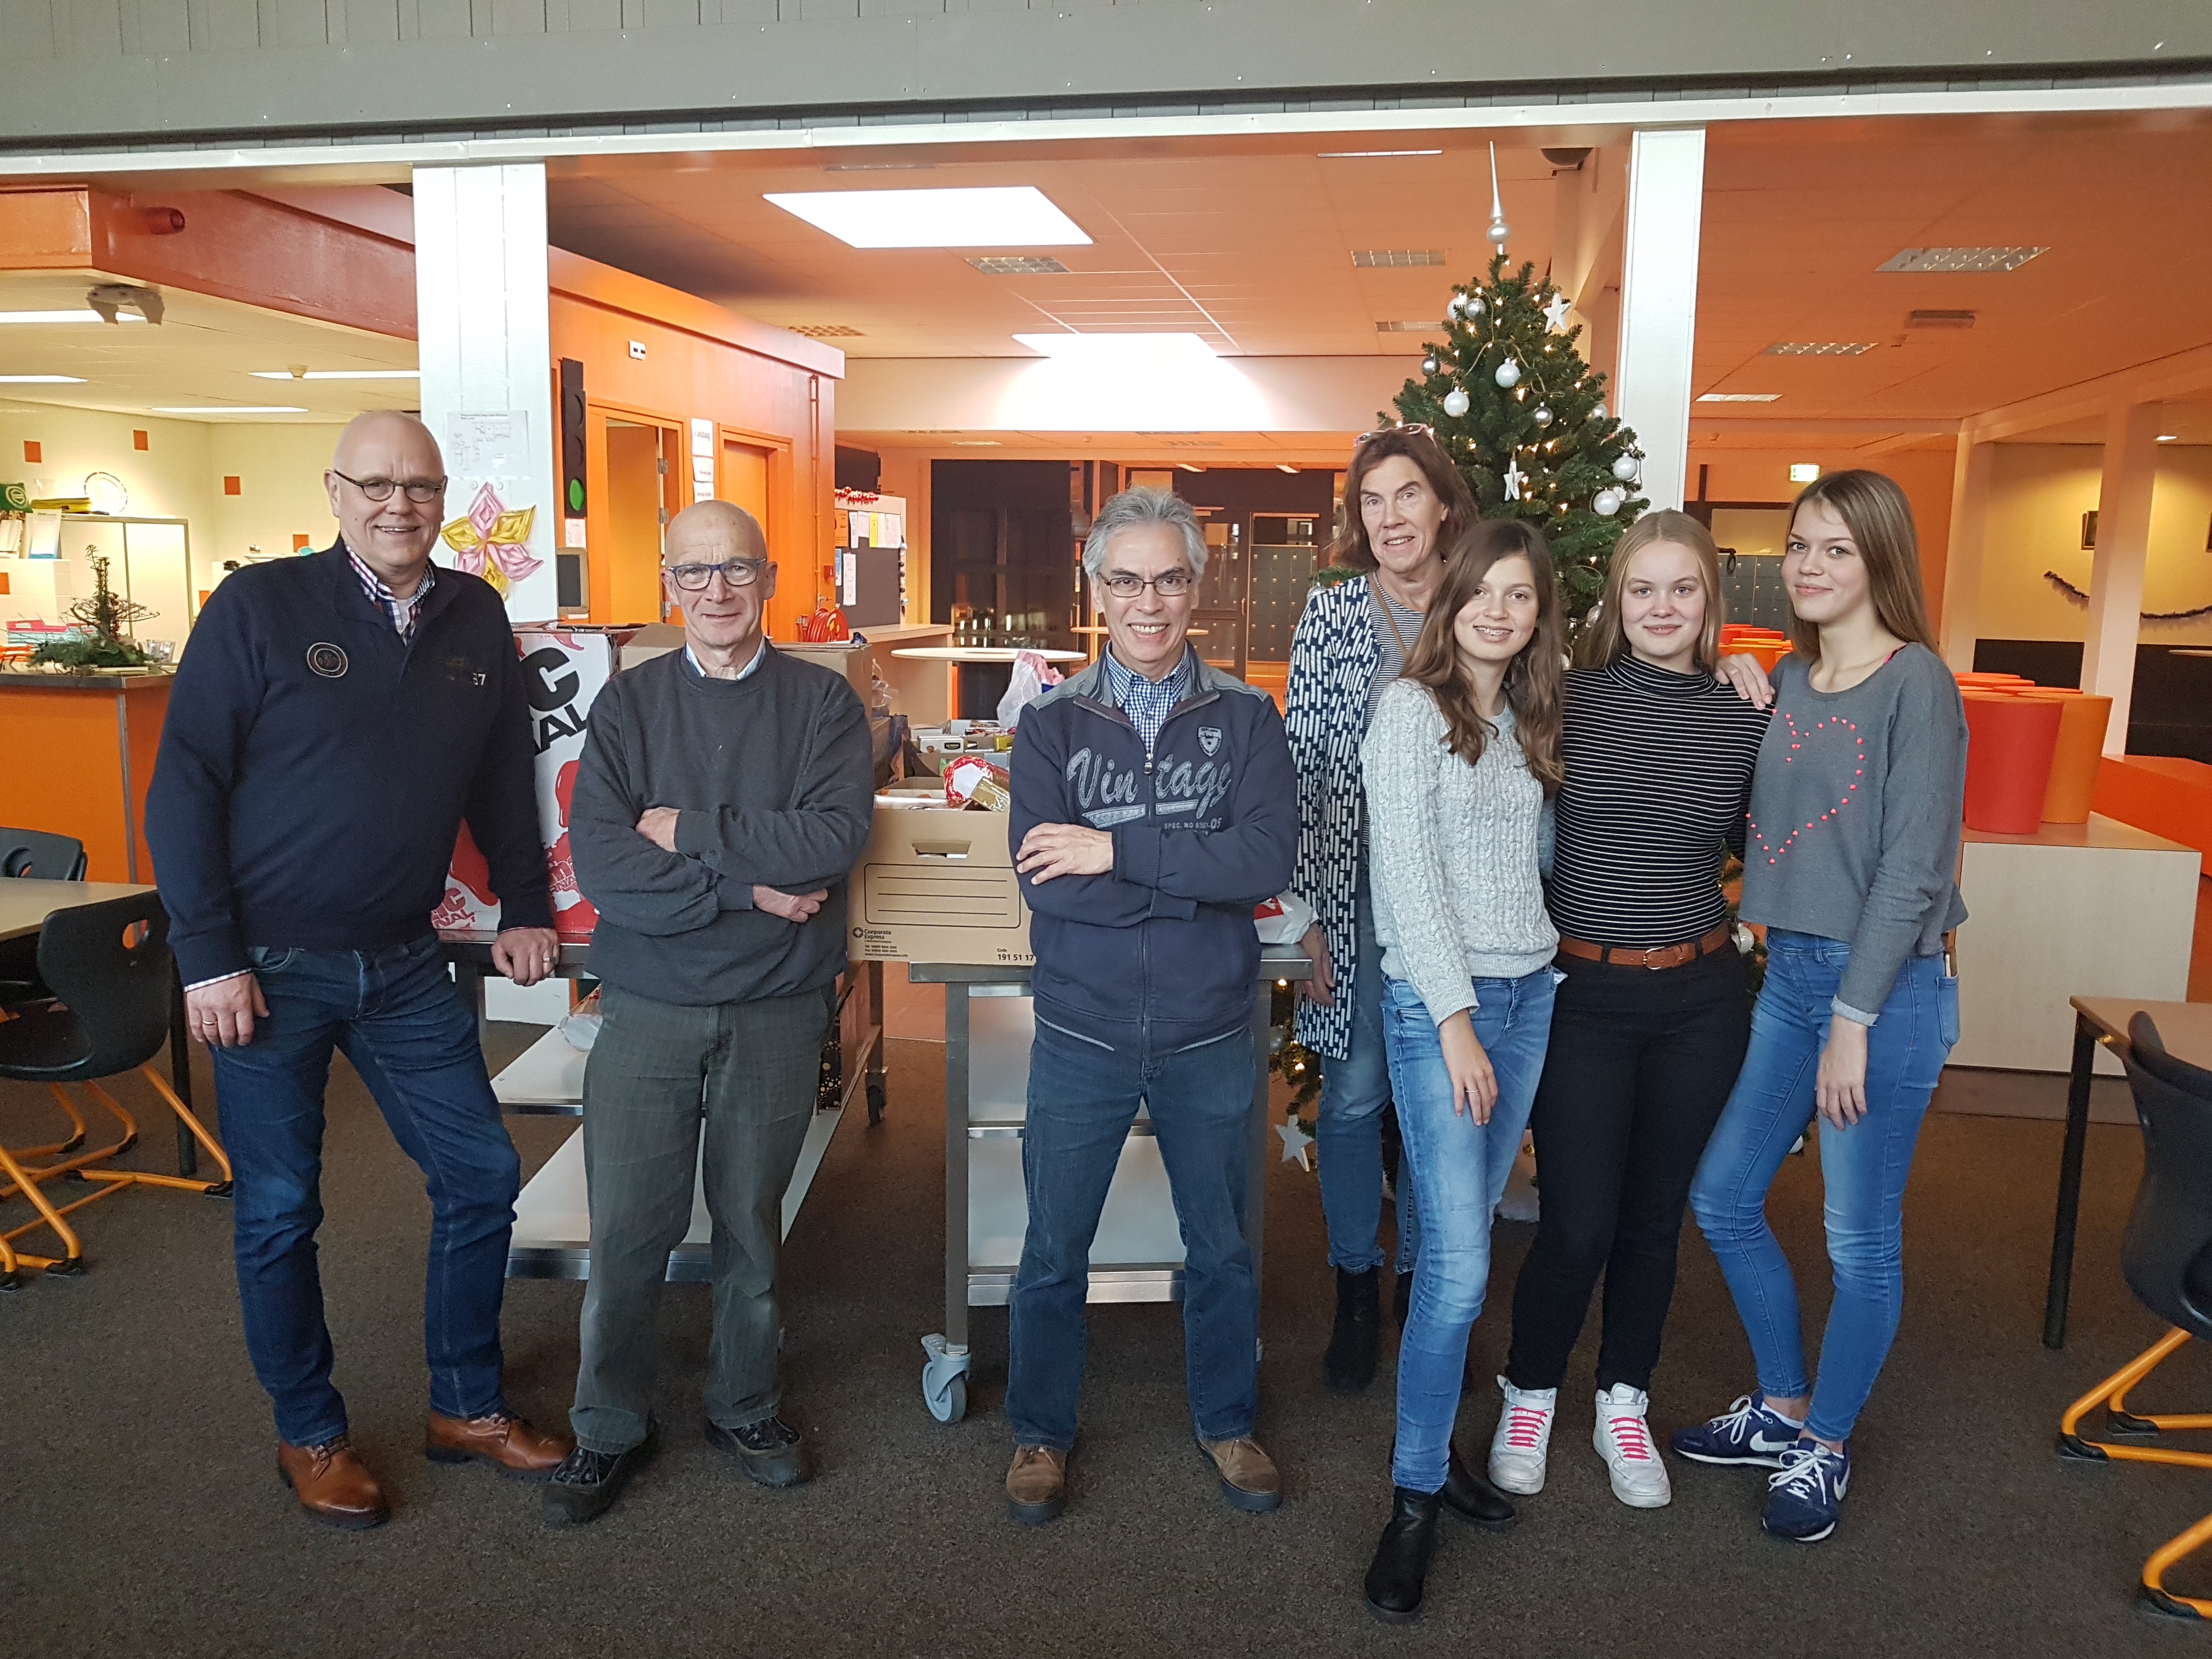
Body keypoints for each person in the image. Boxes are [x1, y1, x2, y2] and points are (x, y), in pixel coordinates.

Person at [145, 411, 568, 1530]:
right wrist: (208, 958)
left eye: (420, 486)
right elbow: (185, 782)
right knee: (281, 1211)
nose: (400, 505)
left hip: (402, 957)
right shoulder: (259, 607)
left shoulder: (476, 615)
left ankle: (466, 1405)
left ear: (443, 496)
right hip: (267, 968)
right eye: (376, 484)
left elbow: (499, 778)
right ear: (334, 491)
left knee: (481, 1175)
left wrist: (526, 904)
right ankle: (312, 1433)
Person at [545, 499, 873, 1527]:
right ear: (668, 584)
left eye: (736, 569)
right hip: (646, 1007)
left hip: (777, 1007)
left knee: (750, 1227)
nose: (717, 590)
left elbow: (828, 842)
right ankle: (609, 1424)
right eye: (695, 574)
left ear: (768, 578)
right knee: (630, 1234)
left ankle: (745, 1405)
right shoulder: (629, 706)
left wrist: (685, 827)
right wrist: (744, 890)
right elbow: (605, 859)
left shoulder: (822, 704)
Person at [1674, 470, 1967, 1545]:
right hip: (1793, 975)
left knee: (1860, 1241)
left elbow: (1914, 873)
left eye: (1835, 549)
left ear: (1880, 560)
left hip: (1882, 991)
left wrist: (1855, 1019)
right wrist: (1732, 673)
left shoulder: (1918, 684)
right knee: (1726, 1196)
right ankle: (1782, 1401)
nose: (1809, 566)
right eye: (1799, 545)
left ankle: (1825, 1443)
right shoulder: (1789, 680)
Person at [1000, 486, 1298, 1526]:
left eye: (1169, 579)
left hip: (1211, 1030)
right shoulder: (1046, 725)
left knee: (1219, 1248)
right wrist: (1186, 874)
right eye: (1125, 580)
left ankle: (1227, 1421)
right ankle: (1040, 1433)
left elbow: (1263, 858)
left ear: (1196, 591)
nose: (1148, 601)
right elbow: (1046, 879)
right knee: (1052, 1251)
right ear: (1096, 590)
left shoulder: (1251, 718)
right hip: (1081, 1031)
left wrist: (1117, 850)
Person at [1488, 511, 1772, 1511]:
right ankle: (1529, 1390)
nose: (1661, 608)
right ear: (1617, 599)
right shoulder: (1566, 701)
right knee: (1575, 1223)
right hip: (1584, 996)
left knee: (1655, 1221)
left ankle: (1623, 1399)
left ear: (1708, 604)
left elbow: (1784, 841)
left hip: (1700, 995)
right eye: (1642, 589)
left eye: (1682, 589)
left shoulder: (1748, 715)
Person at [1358, 520, 1564, 1622]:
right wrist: (1453, 1021)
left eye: (1519, 597)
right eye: (1482, 590)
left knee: (1461, 1241)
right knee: (1458, 1272)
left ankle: (1442, 1456)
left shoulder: (1529, 713)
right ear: (1452, 602)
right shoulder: (1410, 711)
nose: (1498, 610)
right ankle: (1412, 1503)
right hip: (1450, 1008)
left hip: (1530, 994)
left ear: (1539, 615)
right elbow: (1407, 878)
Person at [1283, 424, 1479, 1392]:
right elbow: (1308, 769)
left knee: (1446, 1094)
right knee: (1357, 1096)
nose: (1391, 517)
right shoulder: (1331, 614)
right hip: (1355, 889)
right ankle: (1357, 1285)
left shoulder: (1487, 599)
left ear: (1442, 503)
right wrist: (1311, 913)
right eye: (1372, 502)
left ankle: (1434, 1282)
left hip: (1466, 893)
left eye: (1408, 496)